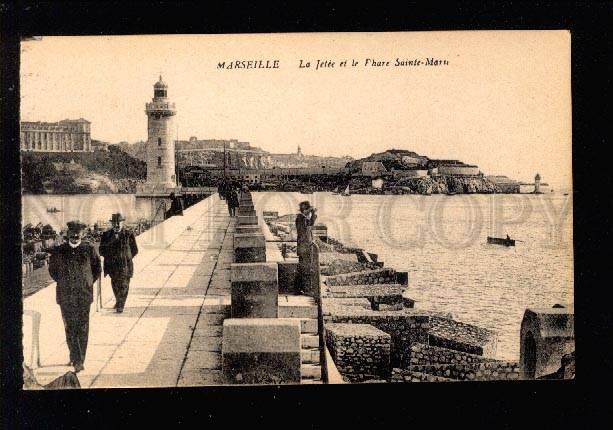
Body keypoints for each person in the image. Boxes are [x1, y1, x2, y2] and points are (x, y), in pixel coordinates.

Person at [48, 220, 101, 373]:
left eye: (78, 235)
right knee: (70, 327)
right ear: (68, 235)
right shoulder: (60, 251)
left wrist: (87, 283)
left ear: (82, 235)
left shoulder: (89, 249)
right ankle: (74, 355)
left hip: (84, 295)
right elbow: (53, 271)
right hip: (65, 296)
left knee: (82, 328)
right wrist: (64, 283)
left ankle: (79, 360)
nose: (75, 237)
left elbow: (97, 269)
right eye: (72, 235)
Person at [99, 213, 139, 313]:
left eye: (118, 223)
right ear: (112, 224)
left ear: (122, 223)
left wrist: (126, 257)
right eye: (114, 223)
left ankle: (120, 305)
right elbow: (101, 250)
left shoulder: (128, 234)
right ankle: (118, 300)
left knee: (124, 285)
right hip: (112, 266)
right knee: (115, 284)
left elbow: (134, 250)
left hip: (125, 265)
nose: (116, 225)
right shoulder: (106, 235)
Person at [294, 201, 317, 295]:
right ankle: (302, 289)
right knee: (304, 269)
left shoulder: (303, 218)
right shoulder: (300, 218)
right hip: (304, 247)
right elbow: (305, 230)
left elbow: (310, 224)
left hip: (305, 247)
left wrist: (313, 215)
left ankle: (302, 289)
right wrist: (311, 212)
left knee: (304, 268)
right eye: (308, 210)